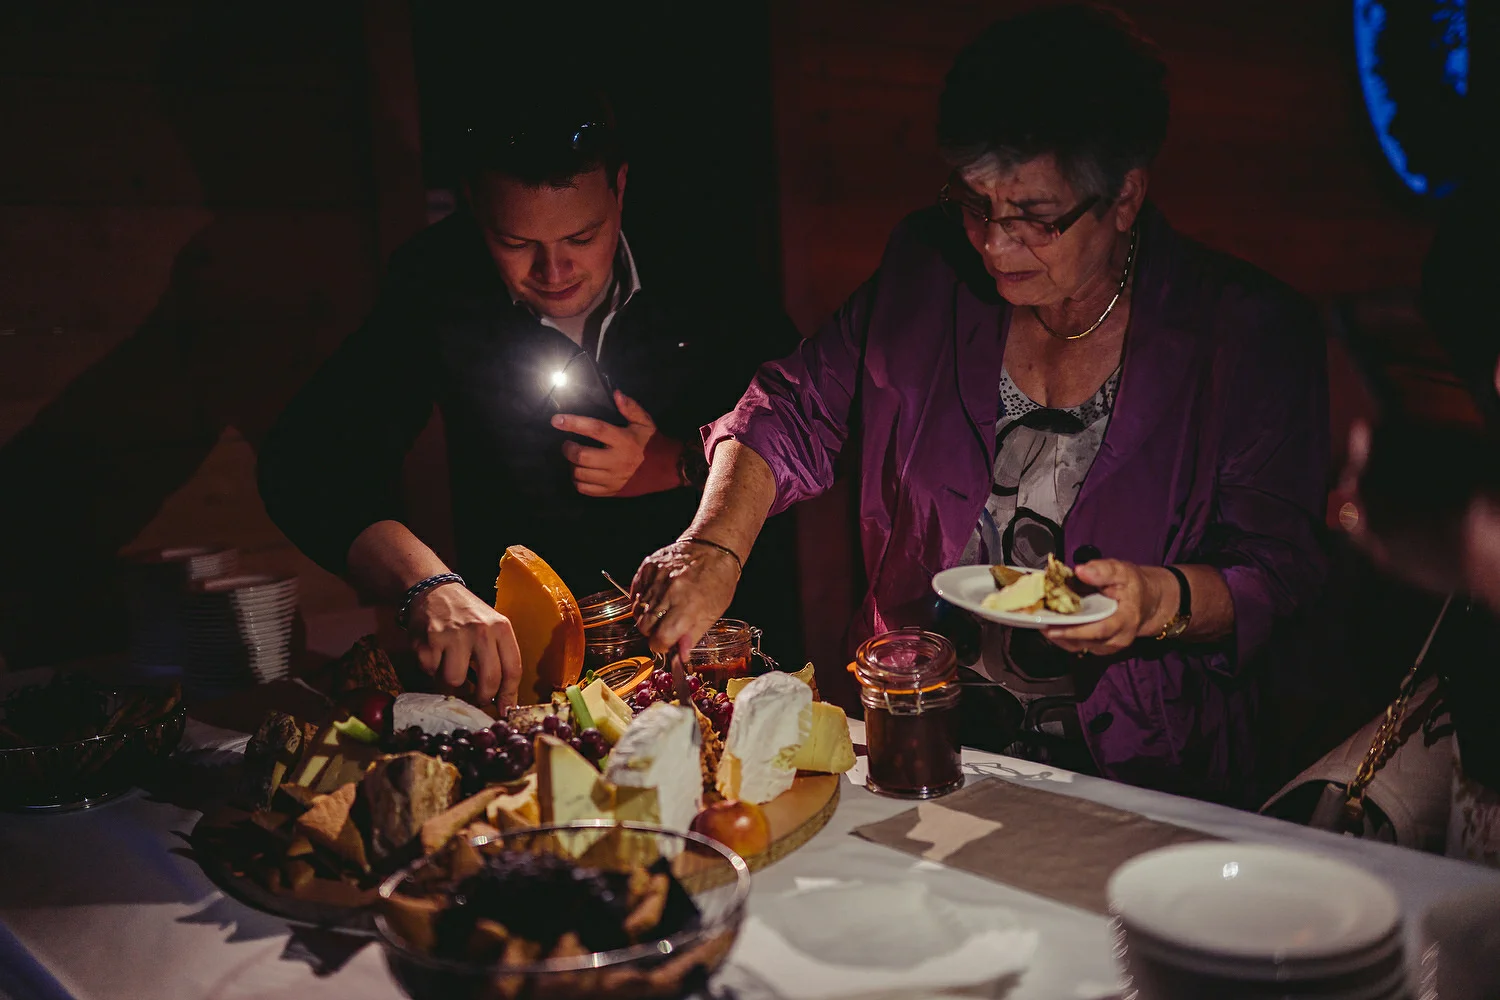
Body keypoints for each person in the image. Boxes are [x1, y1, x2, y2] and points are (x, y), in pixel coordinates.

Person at [632, 4, 1329, 805]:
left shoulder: (1244, 333)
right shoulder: (927, 271)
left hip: (1145, 777)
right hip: (917, 736)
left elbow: (1281, 574)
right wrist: (712, 548)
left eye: (1033, 218)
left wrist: (1159, 601)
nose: (994, 246)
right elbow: (790, 408)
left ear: (1126, 196)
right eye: (973, 204)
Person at [258, 85, 801, 707]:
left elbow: (805, 424)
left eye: (582, 237)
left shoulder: (704, 257)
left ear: (620, 187)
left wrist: (677, 460)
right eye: (515, 243)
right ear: (472, 204)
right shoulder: (437, 283)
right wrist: (424, 584)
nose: (554, 272)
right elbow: (304, 464)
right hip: (533, 671)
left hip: (719, 653)